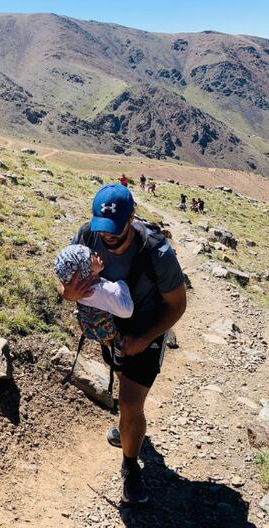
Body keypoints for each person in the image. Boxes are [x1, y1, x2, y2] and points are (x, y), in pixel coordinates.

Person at [58, 184, 187, 504]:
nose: (108, 237)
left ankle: (130, 466)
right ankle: (128, 430)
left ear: (131, 218)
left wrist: (145, 339)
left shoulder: (157, 253)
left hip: (147, 330)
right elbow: (67, 279)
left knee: (130, 403)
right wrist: (68, 294)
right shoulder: (87, 235)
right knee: (117, 372)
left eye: (115, 230)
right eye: (103, 228)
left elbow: (177, 305)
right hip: (108, 329)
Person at [54, 244, 133, 368]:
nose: (96, 253)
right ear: (85, 269)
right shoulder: (102, 291)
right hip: (114, 331)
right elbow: (127, 311)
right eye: (90, 255)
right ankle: (118, 351)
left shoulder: (81, 292)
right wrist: (122, 284)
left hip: (96, 331)